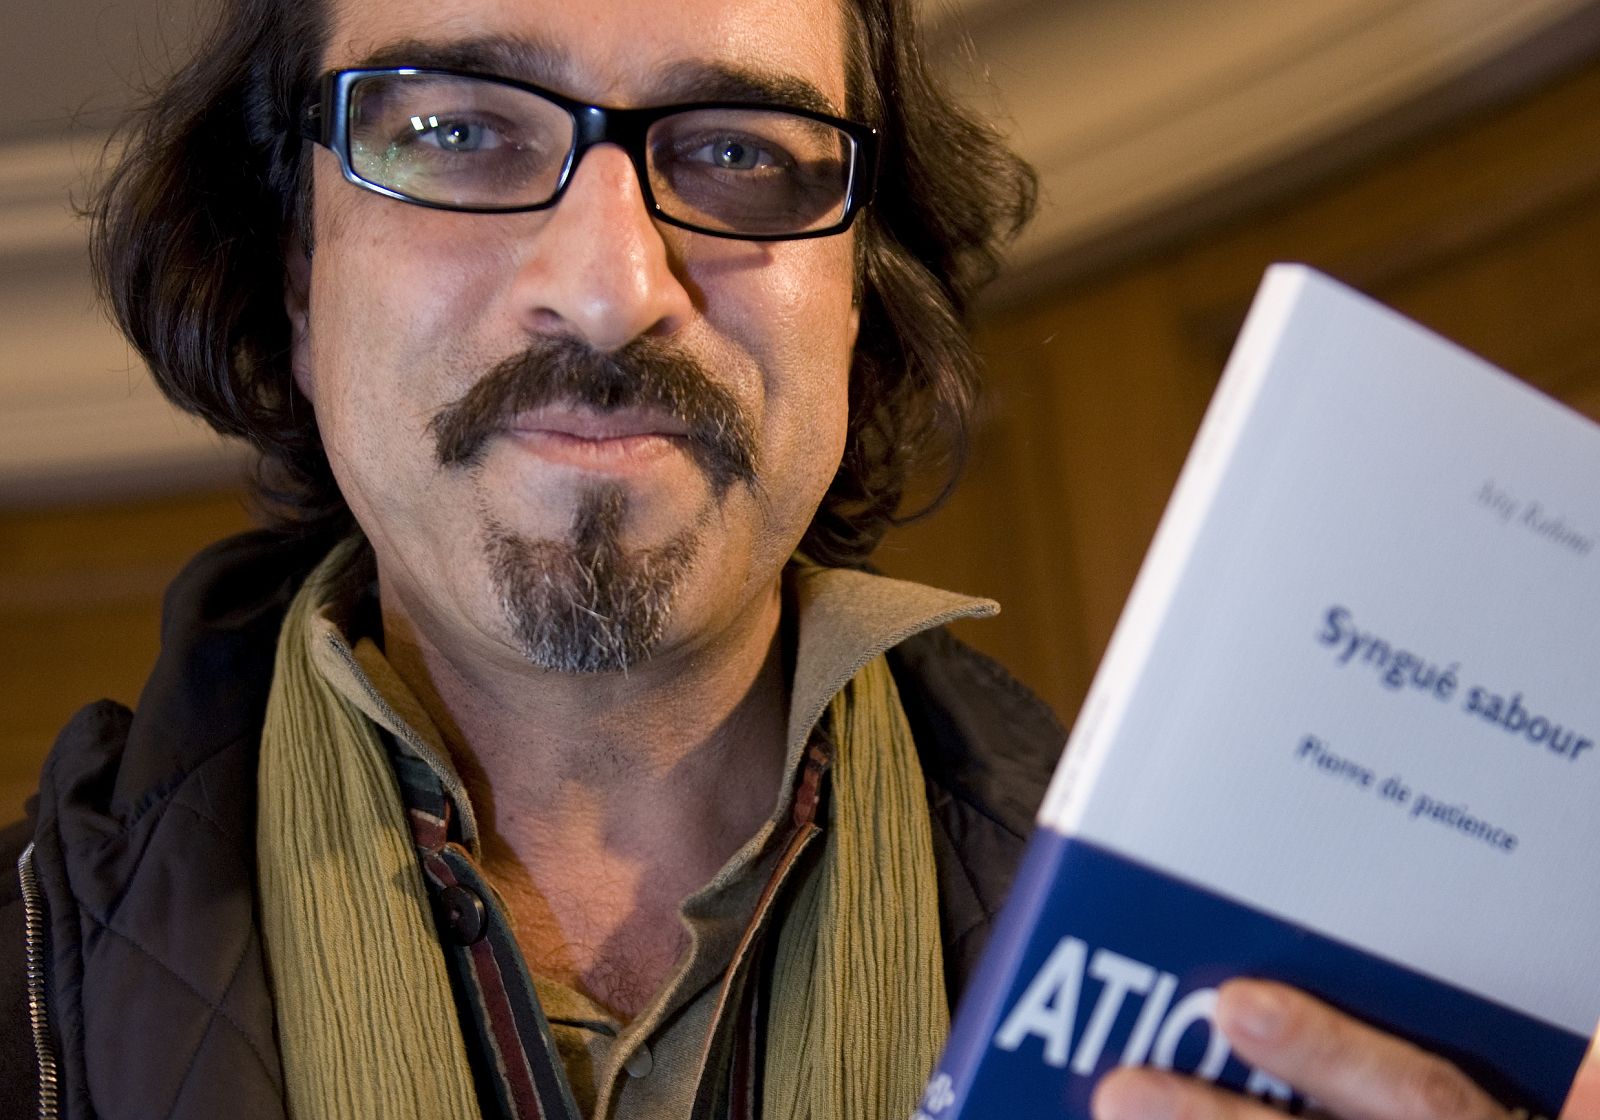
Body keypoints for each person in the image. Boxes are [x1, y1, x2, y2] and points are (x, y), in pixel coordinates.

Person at [0, 0, 1586, 1116]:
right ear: (295, 265)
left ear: (859, 294)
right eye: (459, 130)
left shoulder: (1272, 1004)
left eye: (743, 154)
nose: (613, 285)